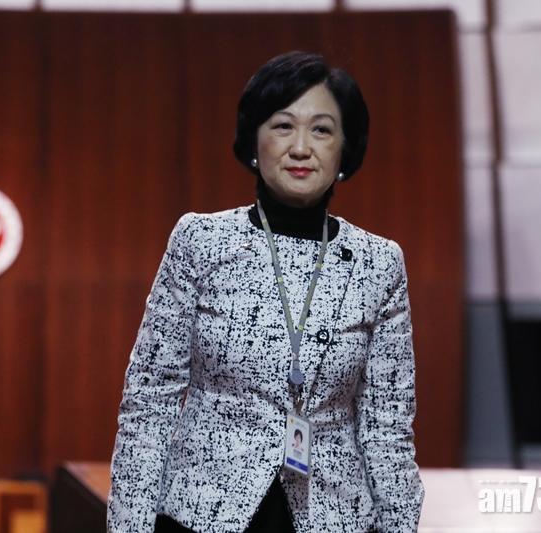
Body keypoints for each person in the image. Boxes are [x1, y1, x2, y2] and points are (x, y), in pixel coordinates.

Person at [107, 51, 424, 532]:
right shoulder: (201, 241)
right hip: (202, 513)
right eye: (282, 126)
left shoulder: (378, 263)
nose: (301, 148)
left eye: (322, 130)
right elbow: (149, 401)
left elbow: (388, 428)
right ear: (254, 140)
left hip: (333, 516)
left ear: (345, 150)